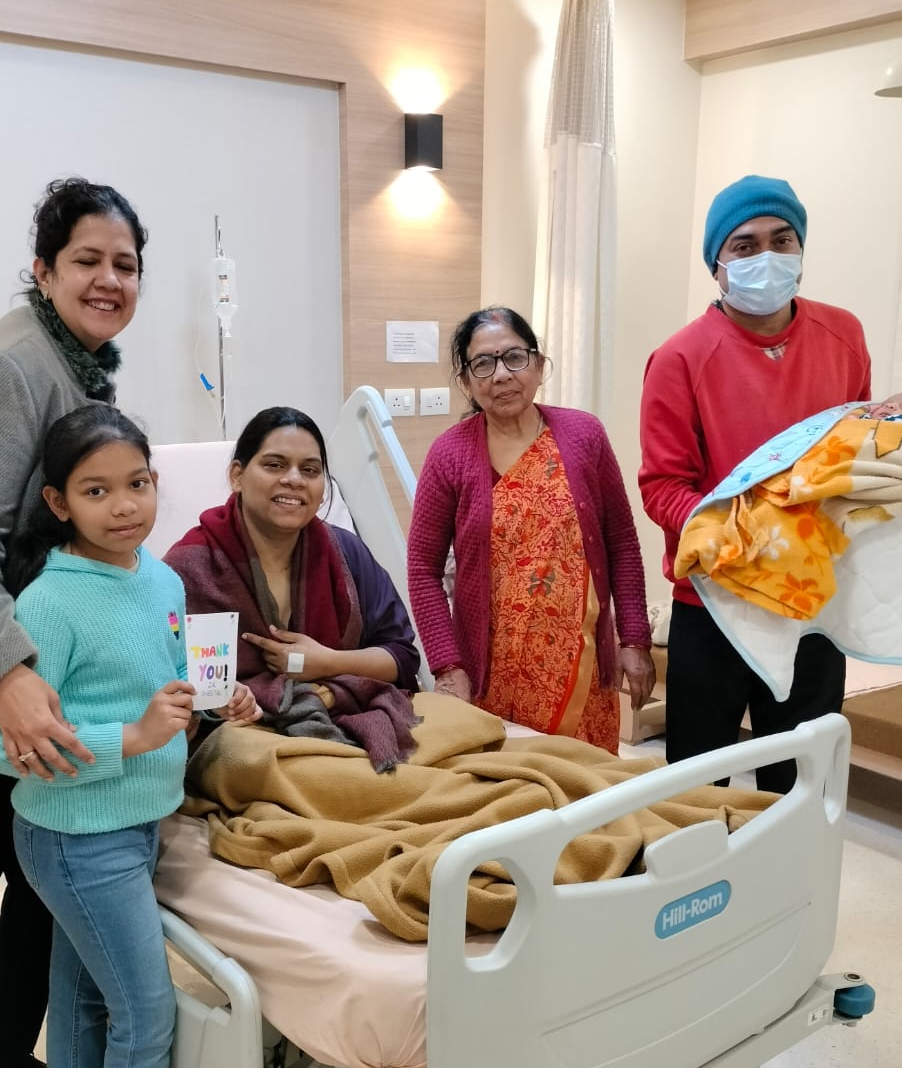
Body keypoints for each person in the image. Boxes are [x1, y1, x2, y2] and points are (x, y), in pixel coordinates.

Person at [2, 404, 257, 1068]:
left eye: (138, 483)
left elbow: (167, 682)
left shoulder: (160, 579)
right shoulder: (49, 603)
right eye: (97, 490)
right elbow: (10, 752)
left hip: (137, 824)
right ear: (57, 502)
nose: (124, 505)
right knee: (146, 1015)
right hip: (76, 841)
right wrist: (136, 738)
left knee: (83, 1001)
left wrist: (213, 699)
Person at [0, 178, 149, 1068]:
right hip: (8, 664)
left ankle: (9, 1060)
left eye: (124, 264)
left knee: (31, 897)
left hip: (34, 656)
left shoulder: (77, 363)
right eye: (87, 260)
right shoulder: (18, 364)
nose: (108, 279)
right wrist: (10, 672)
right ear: (43, 269)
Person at [639, 174, 872, 791]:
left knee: (803, 781)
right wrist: (742, 537)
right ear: (717, 265)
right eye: (744, 246)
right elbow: (663, 486)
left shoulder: (844, 337)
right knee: (696, 787)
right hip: (714, 602)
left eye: (781, 240)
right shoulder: (680, 358)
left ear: (800, 249)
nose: (766, 256)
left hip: (810, 599)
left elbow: (851, 455)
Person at [406, 307, 654, 750]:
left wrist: (634, 639)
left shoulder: (584, 435)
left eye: (514, 357)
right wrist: (448, 667)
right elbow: (423, 570)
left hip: (582, 666)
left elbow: (621, 541)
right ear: (466, 381)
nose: (501, 374)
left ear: (538, 365)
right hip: (489, 676)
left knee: (585, 783)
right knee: (505, 784)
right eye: (483, 363)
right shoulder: (449, 455)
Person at [165, 407, 422, 770]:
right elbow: (158, 677)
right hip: (241, 730)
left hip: (346, 709)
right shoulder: (189, 566)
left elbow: (401, 657)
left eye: (310, 470)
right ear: (237, 475)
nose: (294, 480)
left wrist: (326, 663)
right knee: (250, 755)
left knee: (464, 724)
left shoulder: (345, 552)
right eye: (274, 465)